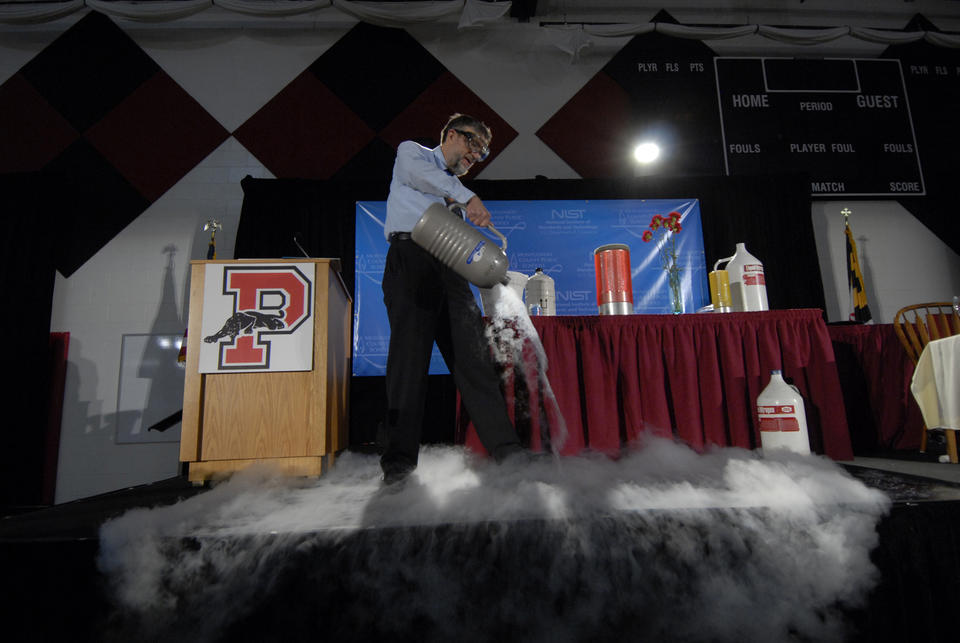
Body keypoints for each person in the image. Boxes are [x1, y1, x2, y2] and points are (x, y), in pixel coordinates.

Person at [380, 113, 524, 484]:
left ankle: (507, 452)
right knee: (408, 366)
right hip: (411, 260)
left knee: (474, 360)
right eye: (473, 144)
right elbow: (427, 179)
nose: (476, 155)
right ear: (449, 134)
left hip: (450, 270)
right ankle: (398, 465)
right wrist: (469, 197)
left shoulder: (453, 195)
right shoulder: (413, 155)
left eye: (482, 152)